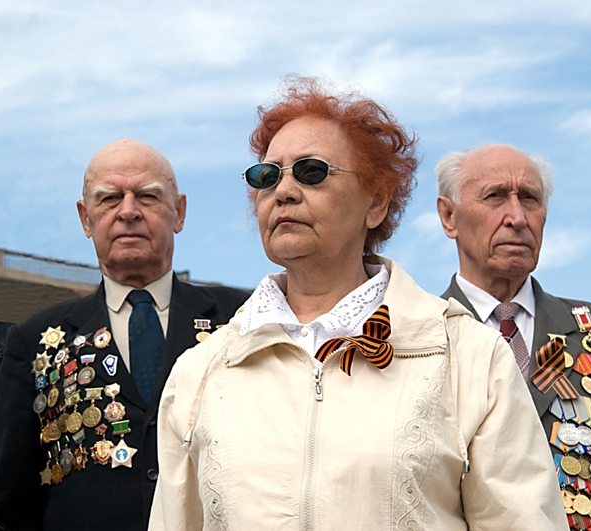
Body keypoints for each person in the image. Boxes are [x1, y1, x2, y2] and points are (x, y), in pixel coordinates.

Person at [148, 78, 568, 530]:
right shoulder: (200, 373)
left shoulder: (468, 356)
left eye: (311, 171)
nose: (283, 191)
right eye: (266, 176)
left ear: (377, 203)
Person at [0, 139, 249, 531]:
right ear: (85, 218)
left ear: (179, 212)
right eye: (110, 198)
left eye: (147, 196)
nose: (128, 212)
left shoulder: (243, 318)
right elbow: (10, 502)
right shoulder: (33, 341)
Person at [436, 144, 591, 530]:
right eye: (495, 196)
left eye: (529, 199)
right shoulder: (415, 342)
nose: (517, 218)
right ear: (448, 217)